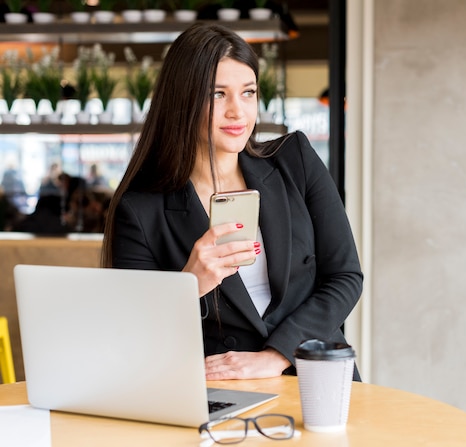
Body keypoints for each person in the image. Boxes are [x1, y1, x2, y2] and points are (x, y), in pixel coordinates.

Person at [101, 23, 363, 381]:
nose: (238, 112)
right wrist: (190, 284)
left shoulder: (295, 160)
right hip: (220, 390)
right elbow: (134, 335)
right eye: (218, 95)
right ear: (183, 100)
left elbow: (345, 277)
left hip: (316, 378)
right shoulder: (141, 210)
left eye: (248, 92)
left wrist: (275, 356)